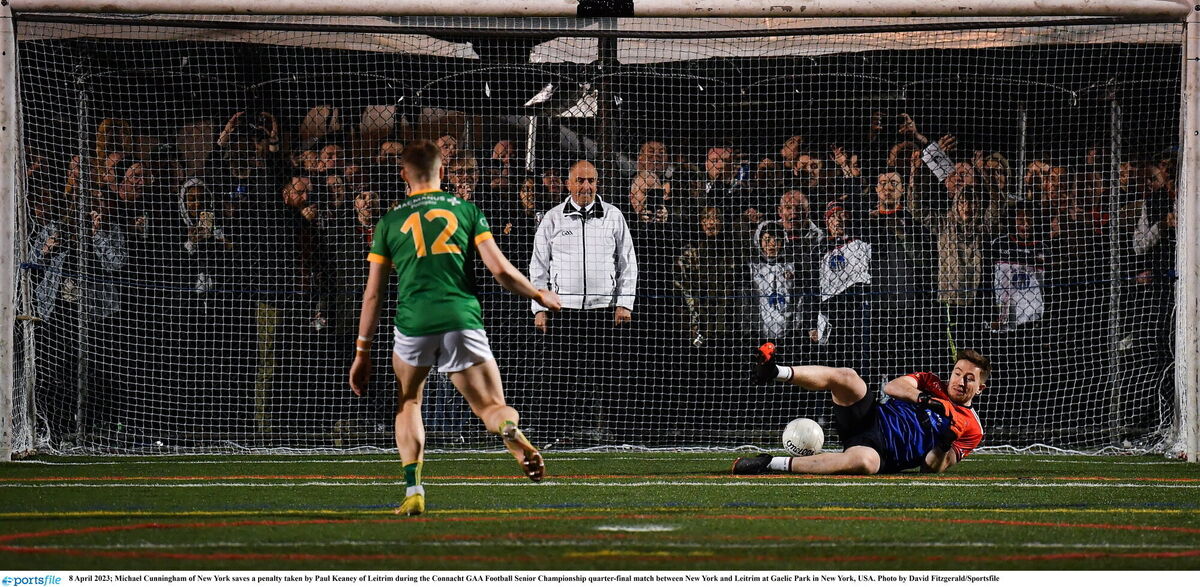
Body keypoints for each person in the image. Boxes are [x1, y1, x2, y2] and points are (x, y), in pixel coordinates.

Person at [349, 139, 563, 516]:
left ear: (404, 175)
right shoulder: (466, 210)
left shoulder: (390, 220)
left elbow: (372, 295)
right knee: (491, 406)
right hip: (462, 318)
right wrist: (539, 294)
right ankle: (510, 431)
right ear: (443, 173)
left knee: (409, 401)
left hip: (414, 323)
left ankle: (414, 490)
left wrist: (362, 351)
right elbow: (500, 270)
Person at [734, 345, 987, 475]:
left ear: (980, 388)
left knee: (864, 463)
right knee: (848, 377)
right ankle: (776, 372)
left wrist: (944, 443)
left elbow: (931, 467)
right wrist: (924, 399)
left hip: (883, 453)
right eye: (957, 373)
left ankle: (768, 464)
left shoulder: (972, 428)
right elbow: (892, 387)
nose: (960, 381)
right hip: (871, 416)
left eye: (969, 379)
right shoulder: (931, 382)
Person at [528, 159, 638, 441]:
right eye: (580, 180)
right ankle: (550, 435)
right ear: (568, 184)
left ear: (597, 183)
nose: (586, 186)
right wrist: (539, 308)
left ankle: (620, 435)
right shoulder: (552, 218)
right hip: (563, 311)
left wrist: (624, 303)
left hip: (604, 311)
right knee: (558, 379)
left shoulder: (613, 216)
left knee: (612, 378)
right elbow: (538, 268)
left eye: (591, 180)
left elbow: (628, 263)